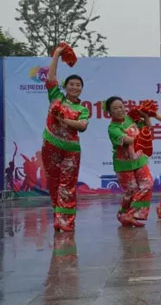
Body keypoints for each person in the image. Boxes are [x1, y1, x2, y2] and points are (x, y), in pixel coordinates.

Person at [42, 44, 89, 231]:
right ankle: (58, 217)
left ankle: (66, 221)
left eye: (78, 85)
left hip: (71, 150)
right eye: (72, 84)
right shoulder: (56, 97)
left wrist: (66, 120)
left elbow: (83, 126)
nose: (75, 87)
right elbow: (51, 77)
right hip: (51, 145)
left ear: (81, 89)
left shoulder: (82, 109)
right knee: (53, 183)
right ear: (65, 86)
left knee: (67, 184)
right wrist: (56, 55)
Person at [106, 96, 154, 227]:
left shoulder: (131, 118)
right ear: (109, 112)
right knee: (130, 191)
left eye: (121, 106)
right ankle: (124, 213)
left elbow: (147, 128)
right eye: (115, 108)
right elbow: (128, 140)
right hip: (124, 165)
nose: (120, 110)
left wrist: (146, 116)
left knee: (148, 184)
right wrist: (142, 136)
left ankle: (129, 215)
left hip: (139, 160)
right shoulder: (112, 129)